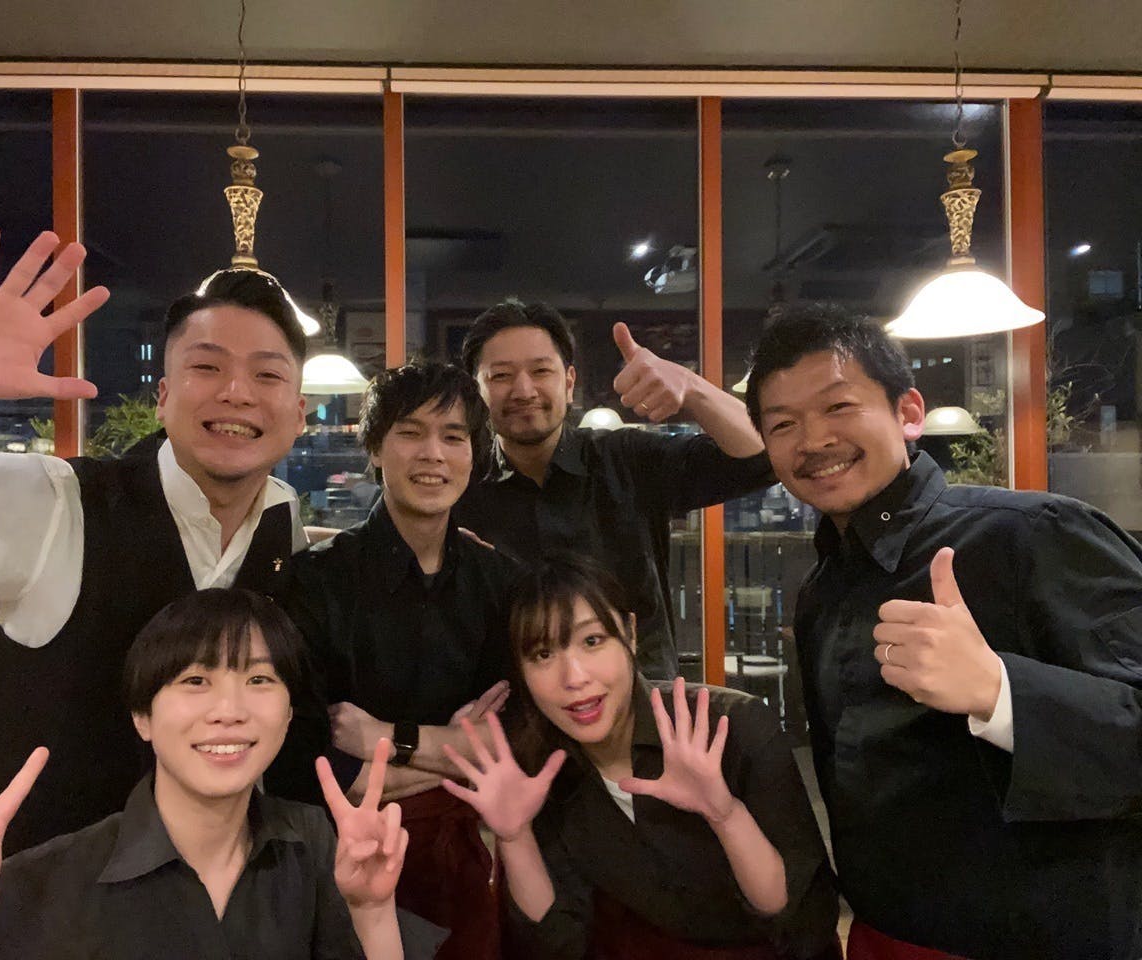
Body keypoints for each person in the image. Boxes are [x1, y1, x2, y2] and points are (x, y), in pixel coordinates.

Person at [0, 227, 311, 854]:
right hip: (33, 894)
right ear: (162, 398)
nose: (237, 392)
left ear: (298, 414)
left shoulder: (283, 520)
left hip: (219, 894)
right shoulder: (54, 507)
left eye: (267, 374)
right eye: (207, 367)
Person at [744, 303, 1142, 960]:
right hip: (880, 937)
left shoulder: (1031, 535)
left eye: (838, 407)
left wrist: (1001, 691)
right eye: (783, 424)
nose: (812, 440)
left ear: (908, 413)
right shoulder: (821, 589)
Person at [0, 587, 443, 960]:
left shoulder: (319, 849)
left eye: (259, 680)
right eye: (195, 681)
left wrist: (373, 914)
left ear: (288, 712)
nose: (230, 710)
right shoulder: (43, 882)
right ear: (143, 717)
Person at [440, 554, 840, 960]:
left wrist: (725, 815)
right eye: (543, 654)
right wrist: (515, 837)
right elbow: (559, 945)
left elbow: (805, 922)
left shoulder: (733, 728)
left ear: (630, 633)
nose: (574, 678)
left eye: (592, 641)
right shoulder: (542, 773)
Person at [270, 361, 517, 960]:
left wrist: (387, 739)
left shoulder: (500, 582)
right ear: (376, 449)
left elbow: (515, 742)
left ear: (473, 455)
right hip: (337, 860)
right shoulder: (315, 583)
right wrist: (460, 753)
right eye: (410, 432)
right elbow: (306, 761)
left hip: (466, 861)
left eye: (453, 436)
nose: (433, 454)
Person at [455, 299, 774, 678]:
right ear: (477, 391)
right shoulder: (458, 486)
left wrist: (691, 387)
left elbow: (764, 458)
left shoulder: (627, 460)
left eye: (541, 371)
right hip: (510, 704)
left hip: (638, 700)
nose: (523, 390)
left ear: (569, 382)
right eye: (501, 376)